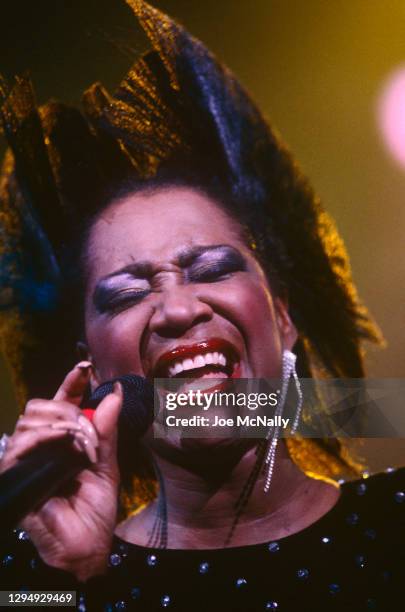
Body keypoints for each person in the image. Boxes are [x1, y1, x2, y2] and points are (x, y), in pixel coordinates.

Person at [0, 1, 403, 610]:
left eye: (212, 270)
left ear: (284, 317)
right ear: (92, 371)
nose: (177, 310)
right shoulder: (35, 576)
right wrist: (65, 576)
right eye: (129, 294)